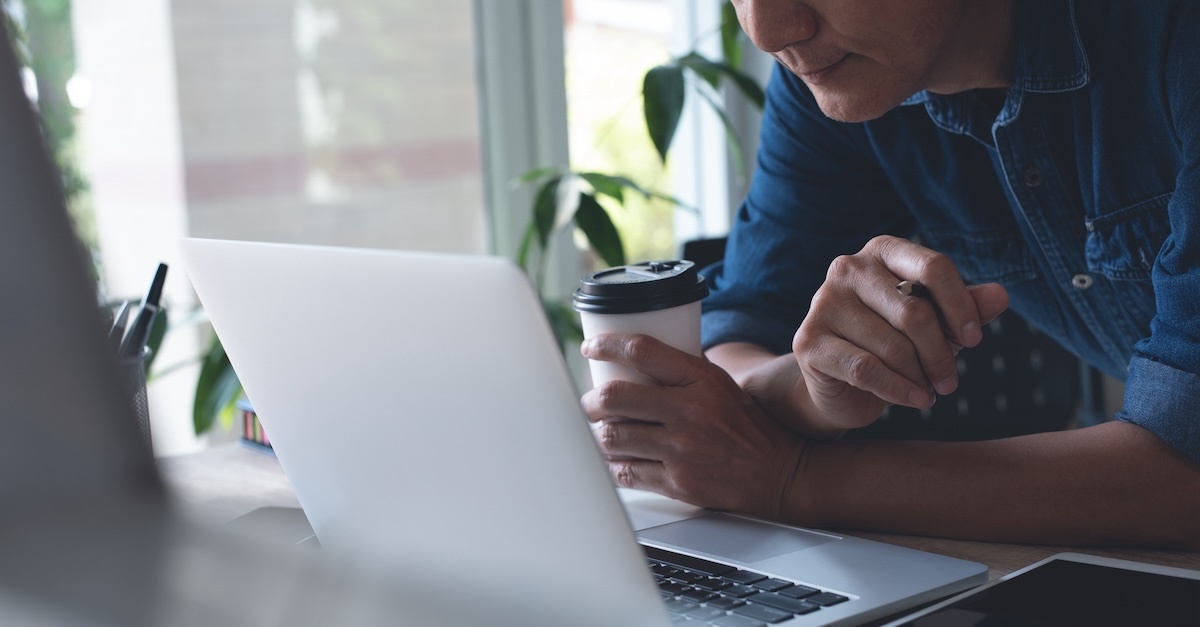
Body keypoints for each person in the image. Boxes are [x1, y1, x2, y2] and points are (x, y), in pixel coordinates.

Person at [579, 0, 1200, 549]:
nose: (767, 29)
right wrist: (808, 391)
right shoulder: (835, 76)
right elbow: (740, 336)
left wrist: (788, 479)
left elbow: (1183, 470)